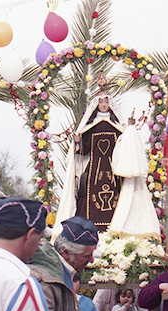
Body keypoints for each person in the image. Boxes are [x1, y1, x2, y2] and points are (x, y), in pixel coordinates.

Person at [53, 73, 124, 233]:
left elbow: (123, 147)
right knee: (87, 196)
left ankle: (114, 229)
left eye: (106, 101)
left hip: (113, 170)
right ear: (96, 105)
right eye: (101, 102)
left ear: (111, 104)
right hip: (94, 169)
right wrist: (78, 141)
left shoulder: (117, 127)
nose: (104, 104)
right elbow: (84, 149)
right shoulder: (90, 127)